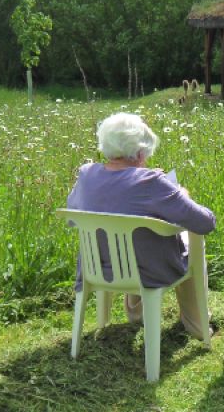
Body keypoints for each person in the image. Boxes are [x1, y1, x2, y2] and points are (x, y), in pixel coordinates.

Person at [67, 112, 216, 340]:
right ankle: (197, 324)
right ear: (139, 152)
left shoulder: (87, 175)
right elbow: (205, 222)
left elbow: (71, 217)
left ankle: (137, 315)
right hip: (148, 271)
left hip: (97, 267)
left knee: (136, 239)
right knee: (192, 240)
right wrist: (182, 194)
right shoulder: (150, 182)